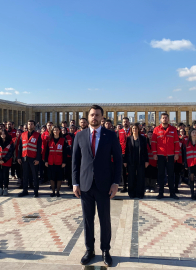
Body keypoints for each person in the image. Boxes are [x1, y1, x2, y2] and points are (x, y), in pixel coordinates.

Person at [72, 105, 122, 267]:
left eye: (97, 115)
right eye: (92, 115)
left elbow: (118, 160)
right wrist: (75, 183)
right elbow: (75, 161)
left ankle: (106, 250)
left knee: (104, 219)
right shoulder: (79, 136)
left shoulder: (110, 135)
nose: (94, 118)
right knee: (87, 220)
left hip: (104, 184)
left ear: (102, 117)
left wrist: (115, 182)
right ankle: (89, 250)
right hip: (85, 185)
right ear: (88, 117)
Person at [152, 113, 180, 199]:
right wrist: (154, 153)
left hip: (170, 155)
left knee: (171, 174)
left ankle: (172, 193)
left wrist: (176, 153)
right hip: (160, 155)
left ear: (168, 119)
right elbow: (154, 142)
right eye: (163, 118)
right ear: (160, 120)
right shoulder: (156, 129)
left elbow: (176, 142)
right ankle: (161, 193)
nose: (164, 119)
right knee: (160, 175)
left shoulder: (173, 129)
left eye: (166, 118)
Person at [124, 123, 149, 199]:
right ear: (131, 130)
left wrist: (146, 161)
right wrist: (125, 161)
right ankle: (132, 193)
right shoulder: (129, 138)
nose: (135, 130)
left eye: (136, 128)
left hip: (140, 161)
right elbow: (126, 151)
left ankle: (140, 193)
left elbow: (145, 150)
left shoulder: (143, 138)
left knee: (140, 177)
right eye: (133, 128)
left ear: (138, 129)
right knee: (131, 177)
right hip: (131, 161)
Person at [17, 120, 41, 197]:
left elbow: (39, 148)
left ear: (34, 126)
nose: (30, 125)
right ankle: (25, 190)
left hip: (33, 158)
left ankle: (36, 192)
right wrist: (18, 157)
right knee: (25, 175)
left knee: (34, 176)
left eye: (32, 124)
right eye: (29, 124)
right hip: (24, 158)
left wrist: (38, 159)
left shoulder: (38, 135)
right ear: (27, 125)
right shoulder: (23, 134)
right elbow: (20, 147)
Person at [45, 126, 68, 197]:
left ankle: (58, 191)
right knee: (52, 178)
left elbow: (65, 152)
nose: (55, 131)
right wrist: (46, 161)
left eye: (57, 130)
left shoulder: (63, 140)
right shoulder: (49, 140)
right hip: (51, 162)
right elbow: (46, 152)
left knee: (59, 178)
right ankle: (53, 191)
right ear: (52, 131)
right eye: (54, 130)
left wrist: (64, 162)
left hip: (59, 162)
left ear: (59, 131)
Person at [0, 130, 15, 196]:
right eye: (1, 134)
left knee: (5, 175)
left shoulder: (10, 142)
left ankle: (5, 188)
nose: (3, 135)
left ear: (6, 134)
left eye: (4, 134)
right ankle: (0, 188)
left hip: (6, 161)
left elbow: (11, 152)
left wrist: (5, 160)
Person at [117, 117, 131, 193]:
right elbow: (116, 143)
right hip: (122, 153)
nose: (125, 123)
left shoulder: (132, 131)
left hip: (130, 154)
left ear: (129, 122)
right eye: (124, 121)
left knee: (131, 170)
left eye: (126, 121)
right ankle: (124, 186)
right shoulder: (119, 132)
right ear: (122, 123)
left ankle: (131, 186)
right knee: (123, 171)